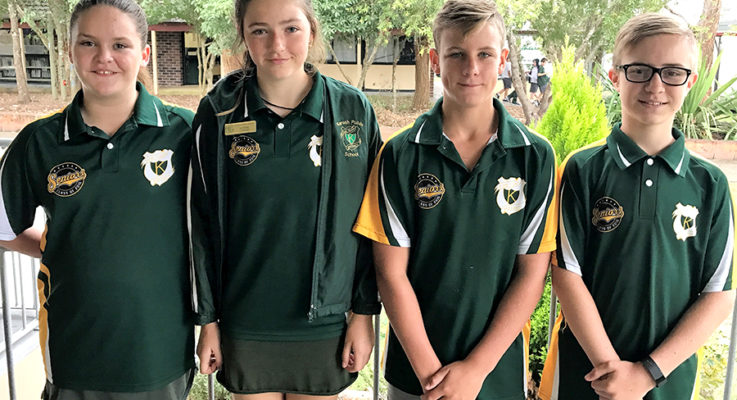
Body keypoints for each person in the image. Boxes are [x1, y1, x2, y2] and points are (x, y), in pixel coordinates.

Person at [352, 1, 557, 399]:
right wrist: (434, 378)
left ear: (503, 59)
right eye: (457, 55)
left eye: (485, 55)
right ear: (435, 60)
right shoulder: (400, 155)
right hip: (416, 375)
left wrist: (476, 369)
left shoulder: (535, 157)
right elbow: (391, 274)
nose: (471, 68)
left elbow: (532, 274)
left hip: (496, 373)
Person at [0, 0, 196, 398]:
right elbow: (3, 226)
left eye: (120, 45)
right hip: (74, 356)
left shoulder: (185, 132)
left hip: (161, 353)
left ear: (144, 53)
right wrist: (60, 247)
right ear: (69, 52)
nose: (104, 56)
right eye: (88, 43)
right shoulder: (39, 142)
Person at [190, 0, 381, 398]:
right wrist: (208, 319)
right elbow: (201, 223)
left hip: (325, 323)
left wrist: (363, 312)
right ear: (242, 34)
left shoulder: (352, 110)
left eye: (291, 28)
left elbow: (371, 222)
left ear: (311, 29)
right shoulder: (219, 111)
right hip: (245, 320)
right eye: (260, 30)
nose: (277, 44)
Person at [539, 13, 735, 400]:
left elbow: (718, 293)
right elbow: (566, 274)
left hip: (668, 382)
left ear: (691, 81)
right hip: (584, 376)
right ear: (615, 76)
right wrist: (613, 373)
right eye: (640, 70)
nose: (655, 85)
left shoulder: (711, 184)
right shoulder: (582, 169)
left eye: (672, 72)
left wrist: (646, 374)